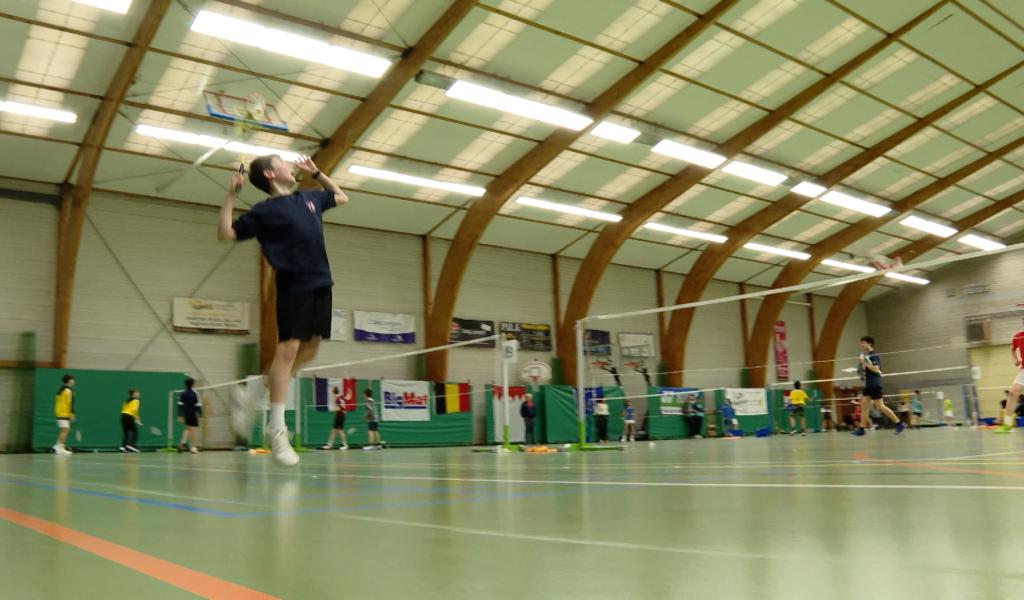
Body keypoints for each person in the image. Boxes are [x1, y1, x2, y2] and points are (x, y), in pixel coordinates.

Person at [220, 153, 348, 466]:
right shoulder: (264, 211)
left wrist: (317, 172)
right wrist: (231, 193)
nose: (290, 166)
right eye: (282, 162)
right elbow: (226, 233)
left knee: (310, 351)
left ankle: (250, 394)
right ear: (269, 173)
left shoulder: (309, 198)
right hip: (294, 284)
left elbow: (341, 196)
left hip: (322, 283)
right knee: (288, 352)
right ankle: (276, 430)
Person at [853, 336, 905, 436]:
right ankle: (861, 428)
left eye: (863, 343)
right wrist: (862, 368)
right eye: (861, 343)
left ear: (869, 343)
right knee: (864, 406)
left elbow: (876, 369)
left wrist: (864, 362)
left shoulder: (873, 355)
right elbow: (867, 369)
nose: (861, 345)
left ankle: (900, 423)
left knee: (880, 406)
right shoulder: (867, 355)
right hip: (868, 384)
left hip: (874, 384)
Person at [997, 321, 1024, 433]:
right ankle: (1007, 424)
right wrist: (1015, 359)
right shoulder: (1018, 336)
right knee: (1013, 392)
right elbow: (1012, 348)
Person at [177, 377, 202, 454]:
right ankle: (193, 448)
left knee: (188, 428)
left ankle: (183, 443)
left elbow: (180, 405)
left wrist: (180, 415)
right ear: (193, 384)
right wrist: (200, 415)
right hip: (193, 413)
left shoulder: (182, 393)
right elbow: (198, 405)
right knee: (192, 430)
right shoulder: (195, 393)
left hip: (186, 413)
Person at [53, 374, 75, 455]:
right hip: (64, 413)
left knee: (64, 429)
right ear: (69, 381)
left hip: (59, 412)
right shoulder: (68, 391)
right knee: (65, 430)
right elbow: (69, 403)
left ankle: (58, 446)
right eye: (72, 379)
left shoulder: (61, 390)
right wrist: (71, 413)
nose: (73, 381)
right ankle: (60, 447)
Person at [321, 385, 349, 450]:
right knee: (334, 430)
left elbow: (339, 409)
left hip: (340, 415)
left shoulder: (337, 399)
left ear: (333, 392)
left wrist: (330, 410)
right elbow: (347, 397)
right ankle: (330, 444)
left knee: (339, 430)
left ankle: (345, 445)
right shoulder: (341, 397)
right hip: (341, 415)